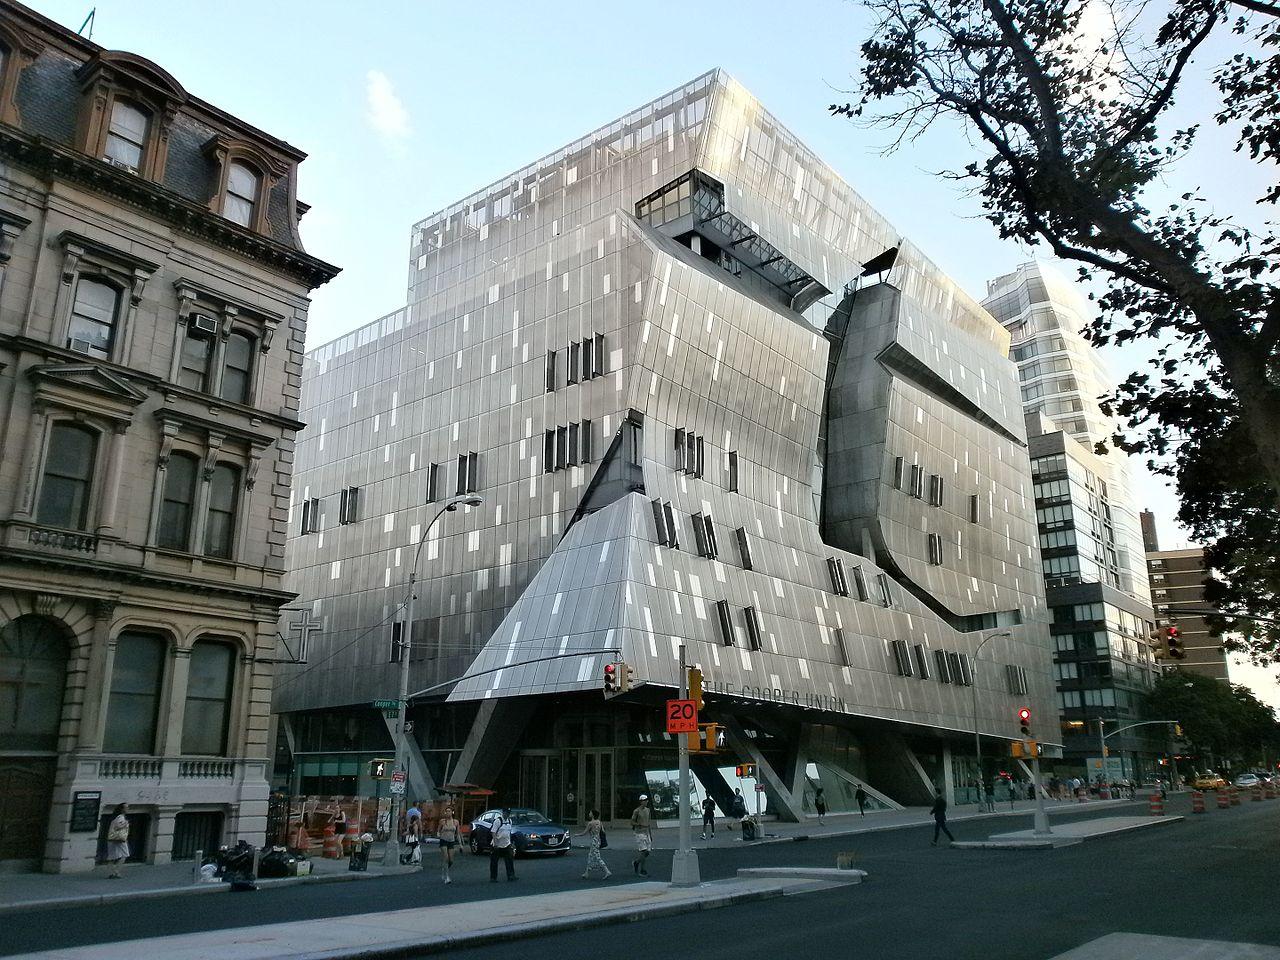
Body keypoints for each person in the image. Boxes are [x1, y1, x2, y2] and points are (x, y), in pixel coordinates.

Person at [577, 808, 611, 880]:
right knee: (590, 856)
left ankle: (607, 871)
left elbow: (584, 833)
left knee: (597, 857)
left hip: (593, 841)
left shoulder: (590, 823)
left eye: (590, 812)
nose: (589, 813)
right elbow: (603, 832)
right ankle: (586, 873)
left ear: (592, 815)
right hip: (598, 840)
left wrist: (577, 835)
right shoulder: (599, 822)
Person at [489, 808, 516, 882]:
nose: (507, 814)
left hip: (506, 844)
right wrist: (495, 844)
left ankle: (511, 875)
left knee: (509, 860)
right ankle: (493, 877)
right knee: (494, 861)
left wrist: (510, 843)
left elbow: (508, 833)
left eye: (508, 813)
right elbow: (493, 832)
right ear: (503, 813)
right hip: (497, 844)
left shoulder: (509, 821)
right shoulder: (498, 821)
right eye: (506, 813)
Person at [105, 803, 130, 878]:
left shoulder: (116, 817)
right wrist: (125, 824)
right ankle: (116, 871)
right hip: (119, 839)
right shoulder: (121, 817)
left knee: (112, 856)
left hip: (112, 838)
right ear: (122, 809)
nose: (128, 809)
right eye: (126, 807)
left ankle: (112, 872)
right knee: (125, 854)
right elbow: (118, 826)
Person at [437, 805, 461, 883]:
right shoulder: (442, 821)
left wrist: (460, 844)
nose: (448, 813)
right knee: (446, 857)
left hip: (451, 841)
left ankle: (444, 868)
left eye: (449, 811)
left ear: (452, 812)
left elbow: (458, 834)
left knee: (451, 860)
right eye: (446, 811)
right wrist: (438, 834)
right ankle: (447, 876)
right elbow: (438, 829)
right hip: (443, 840)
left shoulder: (456, 822)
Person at [630, 794, 653, 877]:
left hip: (646, 832)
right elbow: (632, 822)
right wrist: (638, 824)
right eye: (644, 800)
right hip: (639, 833)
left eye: (646, 800)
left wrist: (650, 834)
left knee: (647, 852)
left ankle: (636, 862)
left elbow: (648, 822)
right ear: (641, 801)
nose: (646, 801)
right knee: (644, 851)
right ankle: (643, 869)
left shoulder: (648, 810)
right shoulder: (636, 811)